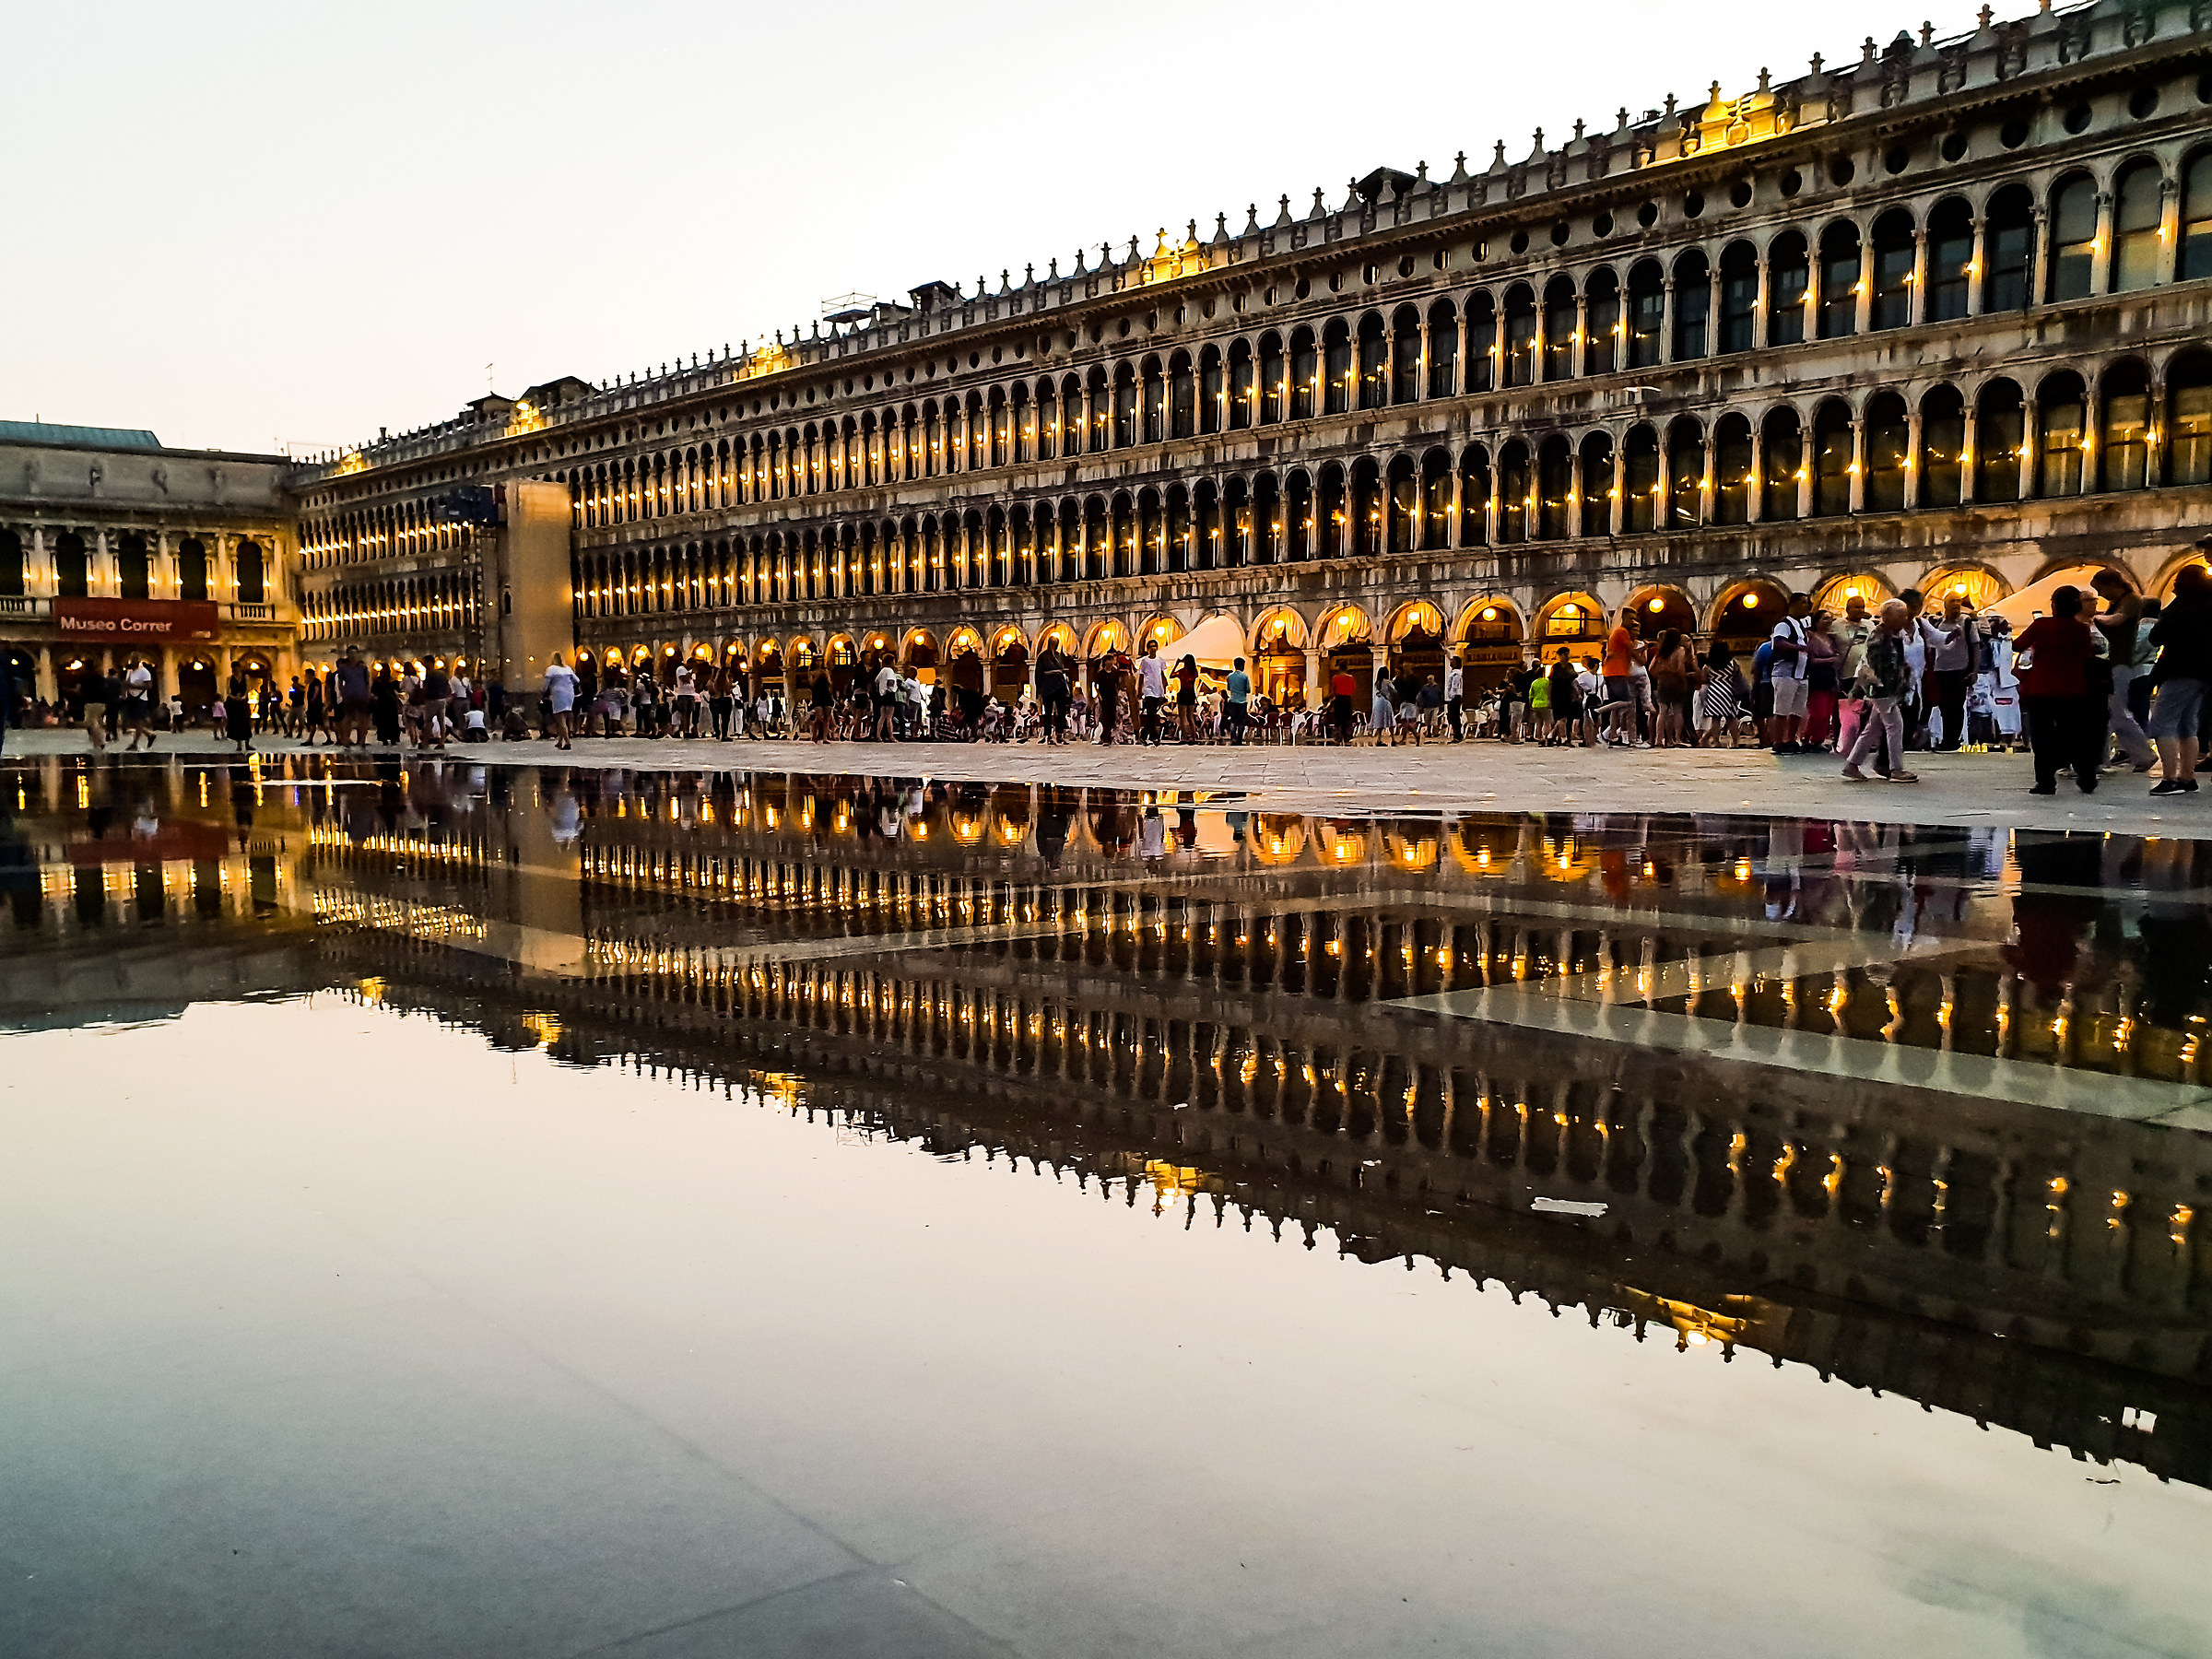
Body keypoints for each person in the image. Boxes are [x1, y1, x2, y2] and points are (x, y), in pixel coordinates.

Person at [2013, 584, 2102, 794]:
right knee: (2075, 733)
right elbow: (2087, 655)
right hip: (2072, 688)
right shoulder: (2081, 629)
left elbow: (2018, 645)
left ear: (2053, 604)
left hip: (2041, 688)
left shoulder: (2041, 625)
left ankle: (2045, 781)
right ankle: (2086, 775)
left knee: (2041, 735)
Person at [2147, 561, 2212, 795]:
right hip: (2203, 674)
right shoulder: (2208, 605)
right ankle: (2188, 776)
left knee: (2163, 723)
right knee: (2188, 725)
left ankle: (2170, 777)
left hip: (2179, 670)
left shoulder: (2181, 607)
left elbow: (2156, 637)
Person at [1839, 600, 1920, 783]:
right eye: (1901, 616)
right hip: (1883, 690)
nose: (1905, 619)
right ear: (1889, 617)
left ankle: (1852, 764)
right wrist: (1897, 682)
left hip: (1886, 689)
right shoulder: (1880, 638)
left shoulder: (1892, 634)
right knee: (1895, 726)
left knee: (1873, 728)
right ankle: (1896, 769)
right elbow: (1882, 667)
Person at [2090, 568, 2156, 771]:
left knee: (2118, 711)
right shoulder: (2118, 602)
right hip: (2114, 662)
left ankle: (2144, 754)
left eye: (2101, 589)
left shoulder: (2132, 600)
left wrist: (2094, 618)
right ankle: (2104, 758)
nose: (2100, 595)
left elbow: (2117, 620)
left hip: (2122, 661)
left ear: (2112, 585)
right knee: (2112, 712)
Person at [1926, 592, 1981, 751]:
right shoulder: (1938, 624)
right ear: (1945, 604)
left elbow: (1976, 647)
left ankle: (1952, 739)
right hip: (1941, 670)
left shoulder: (1967, 623)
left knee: (1957, 706)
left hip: (1960, 670)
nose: (1956, 604)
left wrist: (1974, 671)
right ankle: (1947, 738)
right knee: (1944, 706)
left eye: (1958, 601)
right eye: (1952, 601)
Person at [1767, 594, 1812, 754]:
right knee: (1782, 709)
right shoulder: (1784, 624)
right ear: (1793, 604)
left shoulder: (1801, 625)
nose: (1807, 606)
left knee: (1797, 709)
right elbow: (1779, 642)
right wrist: (1799, 648)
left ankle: (1791, 739)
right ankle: (1778, 741)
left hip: (1801, 673)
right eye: (1803, 602)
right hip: (1785, 672)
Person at [1696, 641, 1746, 747]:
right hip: (1729, 691)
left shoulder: (1708, 666)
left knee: (1716, 719)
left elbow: (1704, 680)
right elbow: (1738, 676)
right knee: (1731, 719)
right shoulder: (1733, 663)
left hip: (1714, 691)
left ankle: (1716, 741)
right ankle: (1735, 742)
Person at [542, 653, 578, 749]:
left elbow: (545, 685)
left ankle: (567, 742)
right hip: (569, 693)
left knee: (560, 719)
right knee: (565, 717)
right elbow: (577, 680)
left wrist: (543, 692)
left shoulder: (551, 669)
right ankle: (560, 741)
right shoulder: (568, 669)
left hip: (558, 693)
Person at [120, 656, 155, 751]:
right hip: (131, 698)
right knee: (132, 720)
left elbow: (149, 685)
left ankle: (134, 743)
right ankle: (149, 734)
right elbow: (126, 684)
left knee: (138, 720)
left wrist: (133, 686)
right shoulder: (130, 672)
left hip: (141, 698)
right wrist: (124, 694)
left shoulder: (144, 672)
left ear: (138, 661)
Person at [1136, 640, 1167, 746]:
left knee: (1153, 714)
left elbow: (1162, 674)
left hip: (1158, 690)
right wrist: (1139, 689)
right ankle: (1154, 737)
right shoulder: (1145, 661)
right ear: (1148, 649)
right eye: (1151, 646)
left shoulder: (1161, 661)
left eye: (1154, 646)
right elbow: (1141, 675)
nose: (1153, 648)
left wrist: (1164, 688)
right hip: (1149, 689)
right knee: (1151, 714)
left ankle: (1144, 735)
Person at [81, 662, 114, 753]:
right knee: (98, 723)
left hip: (91, 703)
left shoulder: (85, 678)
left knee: (92, 723)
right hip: (102, 703)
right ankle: (97, 743)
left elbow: (79, 690)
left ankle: (101, 742)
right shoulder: (100, 677)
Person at [223, 669, 253, 753]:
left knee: (246, 722)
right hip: (234, 704)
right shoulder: (230, 679)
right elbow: (228, 691)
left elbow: (248, 689)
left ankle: (247, 744)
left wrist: (244, 697)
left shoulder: (245, 678)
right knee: (236, 723)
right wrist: (234, 698)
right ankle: (239, 744)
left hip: (243, 702)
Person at [1225, 655, 1252, 746]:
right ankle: (1239, 739)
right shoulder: (1245, 677)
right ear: (1242, 666)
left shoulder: (1230, 677)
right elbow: (1248, 690)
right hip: (1242, 702)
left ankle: (1233, 738)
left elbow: (1228, 688)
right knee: (1241, 721)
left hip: (1232, 701)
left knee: (1233, 720)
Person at [1172, 653, 1199, 743]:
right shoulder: (1195, 672)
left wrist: (1176, 664)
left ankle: (1184, 737)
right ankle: (1193, 736)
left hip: (1183, 693)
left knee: (1183, 717)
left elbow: (1171, 675)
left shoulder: (1182, 672)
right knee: (1191, 717)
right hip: (1191, 694)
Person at [1329, 663, 1356, 744]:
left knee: (1338, 719)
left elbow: (1333, 689)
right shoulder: (1351, 678)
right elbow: (1353, 689)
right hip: (1347, 699)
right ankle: (1347, 737)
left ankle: (1338, 737)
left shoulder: (1336, 678)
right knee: (1347, 719)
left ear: (1339, 669)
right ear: (1346, 669)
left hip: (1338, 699)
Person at [1444, 655, 1465, 741]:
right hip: (1452, 697)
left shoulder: (1456, 673)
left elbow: (1454, 686)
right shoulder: (1453, 672)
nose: (1450, 662)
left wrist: (1451, 697)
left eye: (1452, 660)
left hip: (1454, 697)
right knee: (1452, 716)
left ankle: (1458, 735)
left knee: (1455, 716)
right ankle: (1456, 733)